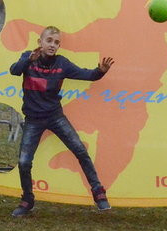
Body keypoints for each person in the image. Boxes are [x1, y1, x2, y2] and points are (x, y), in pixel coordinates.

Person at [9, 25, 114, 217]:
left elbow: (87, 74)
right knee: (24, 162)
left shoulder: (61, 63)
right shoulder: (28, 57)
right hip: (33, 120)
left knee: (80, 150)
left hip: (55, 116)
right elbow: (14, 71)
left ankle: (98, 192)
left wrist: (100, 72)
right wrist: (26, 61)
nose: (52, 45)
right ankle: (27, 200)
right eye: (49, 41)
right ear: (40, 42)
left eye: (57, 42)